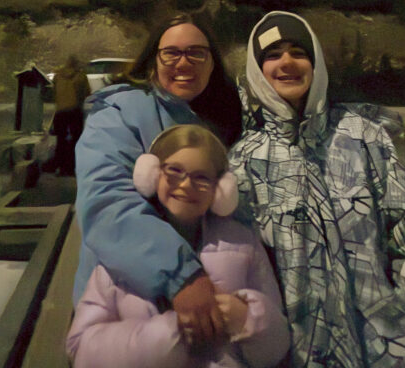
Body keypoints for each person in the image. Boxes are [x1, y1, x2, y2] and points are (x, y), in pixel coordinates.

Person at [229, 11, 405, 368]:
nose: (287, 62)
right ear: (257, 70)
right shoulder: (243, 162)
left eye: (299, 51)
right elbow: (239, 272)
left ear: (316, 63)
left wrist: (402, 334)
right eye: (273, 54)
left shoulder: (363, 137)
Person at [74, 11, 243, 350]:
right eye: (172, 52)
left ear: (213, 64)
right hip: (122, 306)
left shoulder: (224, 120)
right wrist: (182, 276)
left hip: (209, 309)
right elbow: (106, 201)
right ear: (153, 59)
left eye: (197, 52)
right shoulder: (119, 113)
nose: (184, 62)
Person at [67, 124, 290, 368]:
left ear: (222, 188)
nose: (185, 185)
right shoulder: (125, 250)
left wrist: (248, 318)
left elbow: (278, 346)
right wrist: (166, 337)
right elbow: (81, 349)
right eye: (174, 170)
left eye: (201, 177)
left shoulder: (244, 243)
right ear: (151, 175)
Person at [48, 54, 90, 176]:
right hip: (74, 111)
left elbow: (53, 93)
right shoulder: (81, 76)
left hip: (60, 112)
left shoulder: (58, 76)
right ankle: (70, 167)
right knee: (75, 140)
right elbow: (87, 93)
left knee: (61, 140)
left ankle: (60, 167)